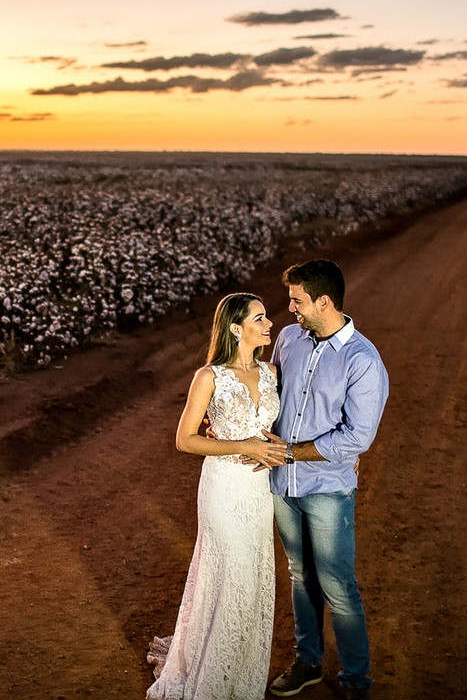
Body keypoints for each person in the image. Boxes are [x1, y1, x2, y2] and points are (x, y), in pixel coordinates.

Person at [147, 292, 287, 699]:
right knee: (230, 575)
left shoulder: (272, 372)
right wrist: (243, 445)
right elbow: (184, 439)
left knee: (251, 578)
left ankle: (239, 675)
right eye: (259, 318)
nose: (269, 324)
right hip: (223, 489)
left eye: (267, 317)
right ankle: (210, 682)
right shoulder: (209, 377)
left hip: (258, 492)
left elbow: (282, 426)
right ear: (235, 328)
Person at [261, 260, 389, 700]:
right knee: (300, 575)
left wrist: (292, 452)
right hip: (283, 485)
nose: (290, 308)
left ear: (324, 302)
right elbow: (269, 395)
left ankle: (356, 681)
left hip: (328, 489)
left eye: (297, 300)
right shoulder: (288, 338)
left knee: (337, 584)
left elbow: (357, 436)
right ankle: (309, 662)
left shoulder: (363, 360)